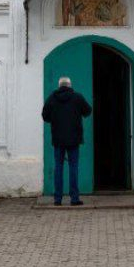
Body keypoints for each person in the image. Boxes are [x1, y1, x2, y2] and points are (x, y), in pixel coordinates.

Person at [41, 76, 92, 206]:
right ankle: (74, 198)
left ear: (59, 86)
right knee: (73, 167)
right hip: (74, 139)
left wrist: (54, 120)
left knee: (58, 167)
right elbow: (88, 111)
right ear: (69, 85)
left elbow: (44, 115)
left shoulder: (52, 98)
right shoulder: (77, 97)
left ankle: (58, 199)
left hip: (58, 139)